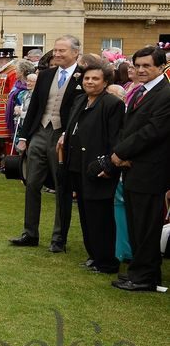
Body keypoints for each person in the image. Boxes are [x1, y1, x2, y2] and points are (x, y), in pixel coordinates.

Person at [10, 36, 83, 251]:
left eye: (62, 51)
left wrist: (69, 134)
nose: (57, 54)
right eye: (55, 50)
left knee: (62, 187)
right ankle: (30, 233)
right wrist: (24, 136)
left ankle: (59, 239)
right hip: (40, 132)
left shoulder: (83, 77)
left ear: (75, 53)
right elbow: (34, 106)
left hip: (63, 135)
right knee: (32, 183)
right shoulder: (46, 75)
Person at [109, 46, 170, 292]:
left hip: (151, 169)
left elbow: (152, 132)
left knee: (146, 225)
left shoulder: (165, 94)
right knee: (136, 222)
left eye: (147, 66)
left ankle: (144, 276)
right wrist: (121, 153)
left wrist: (120, 153)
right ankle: (143, 271)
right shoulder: (138, 91)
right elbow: (129, 128)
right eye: (138, 65)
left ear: (161, 67)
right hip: (134, 167)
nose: (142, 70)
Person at [61, 62, 124, 274]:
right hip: (78, 166)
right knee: (86, 215)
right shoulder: (80, 100)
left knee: (101, 217)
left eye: (95, 79)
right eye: (87, 78)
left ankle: (106, 262)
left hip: (99, 167)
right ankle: (94, 256)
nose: (90, 82)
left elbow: (115, 139)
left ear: (106, 82)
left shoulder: (112, 104)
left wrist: (109, 166)